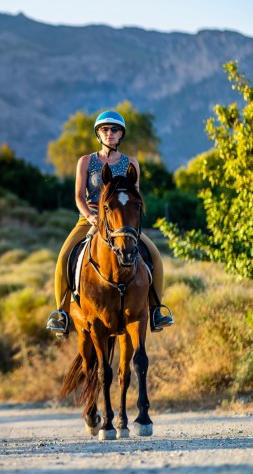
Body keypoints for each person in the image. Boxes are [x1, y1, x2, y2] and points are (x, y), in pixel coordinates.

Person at [46, 110, 174, 337]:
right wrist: (90, 216)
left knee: (154, 256)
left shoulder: (131, 163)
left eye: (114, 130)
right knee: (64, 258)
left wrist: (130, 223)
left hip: (121, 223)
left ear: (121, 135)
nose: (110, 133)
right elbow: (78, 196)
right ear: (99, 134)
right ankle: (61, 314)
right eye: (105, 130)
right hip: (91, 219)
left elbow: (135, 196)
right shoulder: (86, 161)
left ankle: (156, 310)